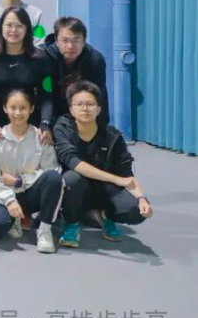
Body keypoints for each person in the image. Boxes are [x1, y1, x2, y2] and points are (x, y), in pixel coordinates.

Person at [54, 81, 152, 248]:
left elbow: (126, 173)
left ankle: (104, 215)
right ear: (71, 110)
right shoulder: (62, 129)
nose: (85, 108)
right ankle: (71, 223)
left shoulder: (112, 136)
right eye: (79, 104)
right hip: (75, 189)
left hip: (104, 189)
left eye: (90, 104)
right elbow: (75, 163)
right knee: (71, 178)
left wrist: (142, 198)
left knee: (136, 211)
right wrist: (116, 179)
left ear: (99, 109)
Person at [0, 90, 62, 253]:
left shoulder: (40, 137)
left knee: (54, 178)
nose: (18, 113)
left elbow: (52, 171)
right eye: (13, 108)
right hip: (5, 194)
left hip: (31, 194)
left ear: (31, 109)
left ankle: (44, 230)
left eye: (23, 108)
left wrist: (20, 181)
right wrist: (9, 200)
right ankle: (14, 220)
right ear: (5, 109)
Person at [0, 6, 53, 144]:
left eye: (19, 26)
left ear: (27, 29)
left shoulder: (40, 58)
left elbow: (47, 97)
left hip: (29, 123)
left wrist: (44, 124)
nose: (13, 30)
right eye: (9, 25)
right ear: (1, 27)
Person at [44, 16, 109, 123]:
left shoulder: (94, 60)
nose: (70, 46)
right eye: (65, 41)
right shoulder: (44, 58)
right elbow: (43, 96)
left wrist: (102, 125)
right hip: (51, 114)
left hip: (82, 114)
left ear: (84, 42)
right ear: (56, 41)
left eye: (76, 41)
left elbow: (99, 95)